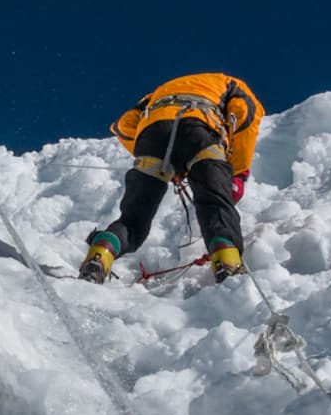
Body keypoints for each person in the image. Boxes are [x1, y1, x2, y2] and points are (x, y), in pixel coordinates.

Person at [81, 72, 264, 284]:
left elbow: (123, 125)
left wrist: (162, 163)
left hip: (152, 133)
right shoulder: (231, 83)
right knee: (215, 206)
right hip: (200, 127)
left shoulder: (156, 94)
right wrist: (239, 172)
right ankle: (228, 267)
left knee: (133, 219)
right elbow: (245, 114)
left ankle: (100, 254)